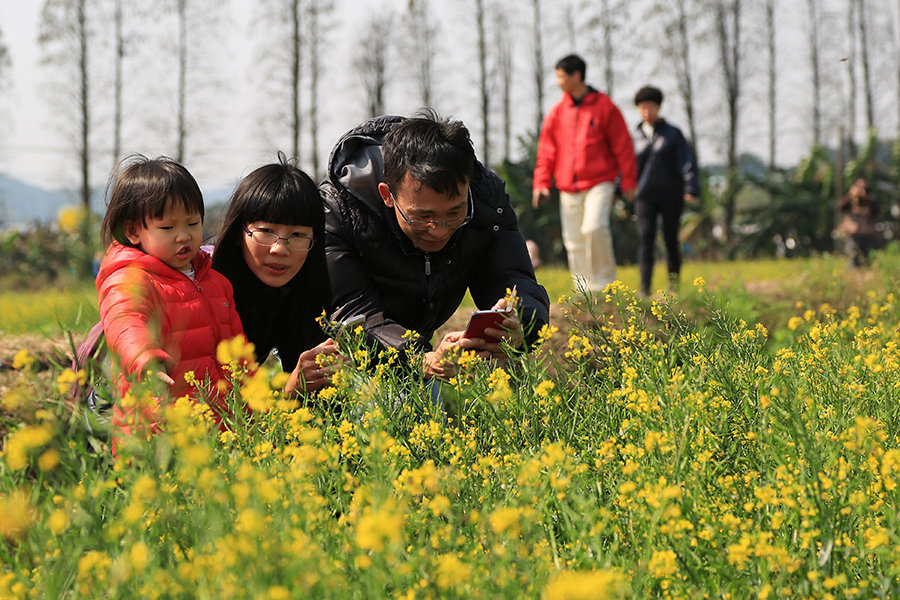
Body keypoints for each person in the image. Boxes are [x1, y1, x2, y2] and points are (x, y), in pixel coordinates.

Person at [320, 110, 550, 380]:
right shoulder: (340, 210)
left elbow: (512, 277)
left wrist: (519, 322)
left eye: (454, 213)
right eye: (421, 217)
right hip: (336, 362)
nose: (439, 231)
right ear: (387, 195)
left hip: (415, 351)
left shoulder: (488, 202)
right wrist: (418, 358)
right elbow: (351, 311)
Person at [96, 155, 245, 438]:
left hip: (221, 427)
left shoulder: (217, 282)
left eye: (192, 224)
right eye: (168, 228)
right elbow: (125, 322)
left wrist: (254, 410)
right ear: (133, 231)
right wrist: (144, 359)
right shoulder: (130, 278)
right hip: (160, 431)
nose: (183, 236)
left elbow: (239, 355)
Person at [212, 154, 340, 394]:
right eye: (266, 231)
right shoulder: (201, 289)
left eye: (298, 235)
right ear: (238, 232)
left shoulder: (305, 291)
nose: (280, 248)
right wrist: (290, 390)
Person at [533, 53, 637, 294]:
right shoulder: (557, 111)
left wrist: (630, 181)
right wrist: (541, 182)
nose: (558, 82)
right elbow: (546, 150)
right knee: (573, 240)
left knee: (594, 228)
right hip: (568, 186)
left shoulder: (605, 107)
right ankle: (583, 290)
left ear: (576, 76)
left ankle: (604, 283)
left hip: (600, 182)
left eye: (561, 77)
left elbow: (623, 146)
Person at [632, 85, 700, 296]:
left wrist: (691, 188)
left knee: (671, 238)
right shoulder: (634, 137)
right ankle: (645, 289)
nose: (647, 112)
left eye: (651, 107)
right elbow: (625, 166)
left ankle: (674, 287)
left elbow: (686, 161)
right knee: (645, 239)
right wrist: (619, 189)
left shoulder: (673, 134)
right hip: (644, 196)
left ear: (659, 108)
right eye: (642, 107)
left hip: (671, 195)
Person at [837, 177, 879, 267]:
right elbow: (840, 206)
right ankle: (853, 278)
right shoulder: (849, 202)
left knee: (866, 260)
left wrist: (867, 198)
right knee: (853, 259)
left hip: (867, 234)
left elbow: (876, 212)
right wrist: (851, 195)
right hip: (852, 235)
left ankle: (864, 278)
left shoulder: (870, 203)